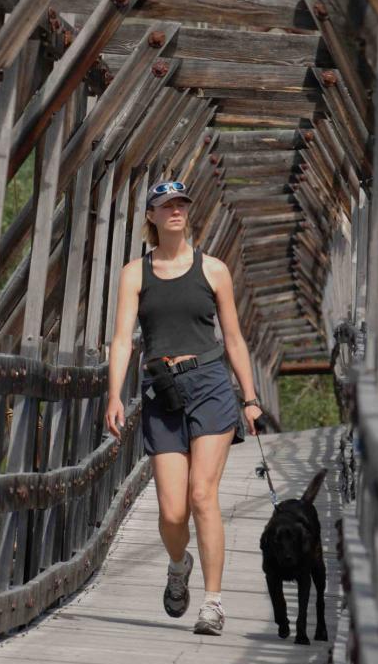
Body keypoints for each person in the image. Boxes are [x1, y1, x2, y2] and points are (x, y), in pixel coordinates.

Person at [105, 179, 263, 636]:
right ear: (151, 217)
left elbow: (233, 338)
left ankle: (213, 604)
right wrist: (114, 395)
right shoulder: (135, 274)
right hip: (161, 389)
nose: (175, 210)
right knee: (172, 512)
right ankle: (179, 564)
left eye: (181, 204)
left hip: (210, 384)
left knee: (201, 497)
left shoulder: (213, 270)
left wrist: (250, 399)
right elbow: (120, 340)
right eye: (165, 205)